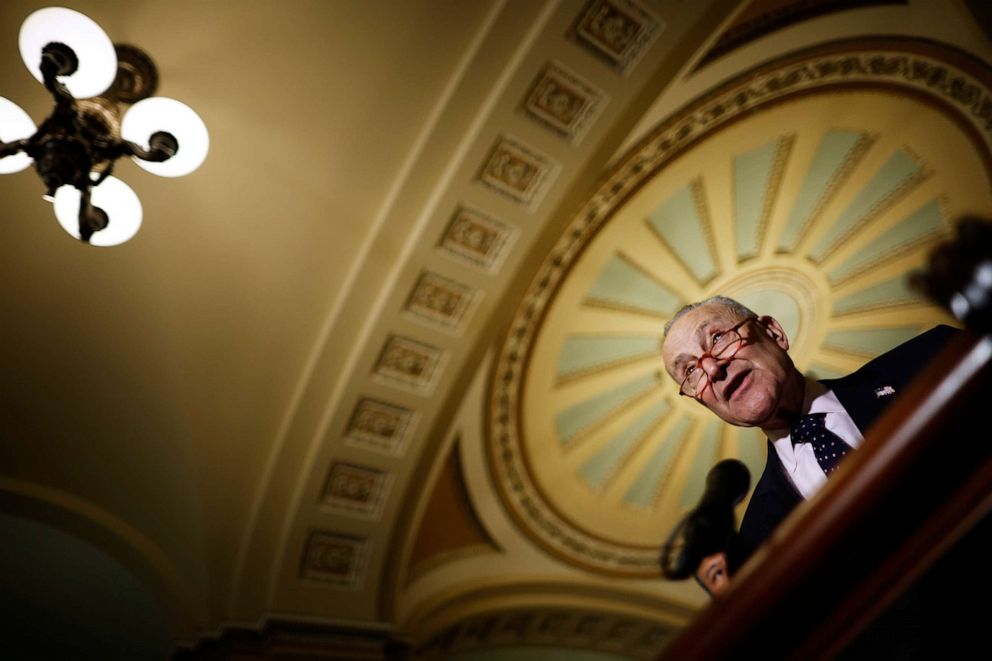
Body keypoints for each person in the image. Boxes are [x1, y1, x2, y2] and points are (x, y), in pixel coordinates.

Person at [660, 295, 957, 590]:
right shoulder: (760, 544)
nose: (712, 369)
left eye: (717, 338)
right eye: (690, 371)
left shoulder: (932, 358)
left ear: (774, 333)